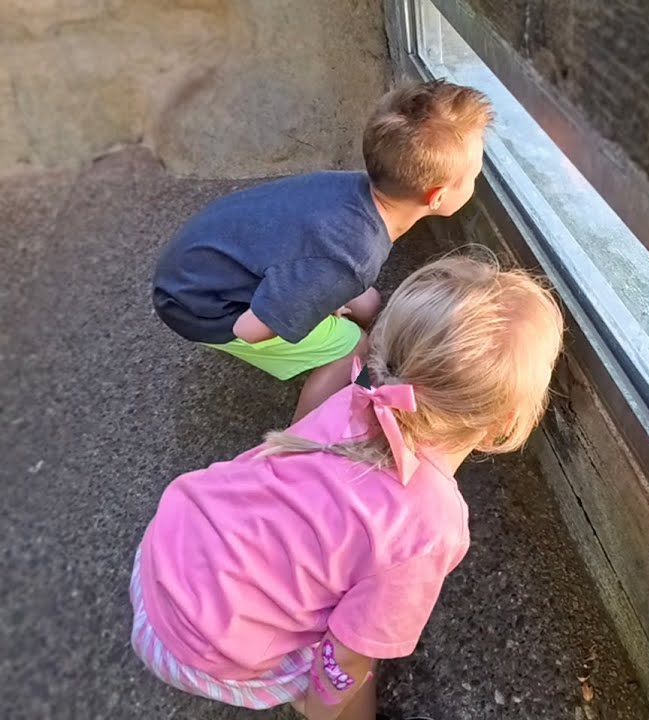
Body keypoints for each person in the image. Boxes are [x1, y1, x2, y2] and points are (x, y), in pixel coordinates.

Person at [129, 252, 564, 720]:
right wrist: (325, 707)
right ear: (507, 424)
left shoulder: (356, 399)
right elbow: (349, 654)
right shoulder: (430, 525)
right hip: (202, 645)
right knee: (354, 668)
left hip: (164, 554)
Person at [150, 80, 495, 422]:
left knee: (369, 303)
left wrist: (322, 298)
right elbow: (250, 330)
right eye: (473, 176)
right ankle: (301, 443)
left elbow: (314, 253)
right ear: (436, 196)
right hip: (200, 307)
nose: (475, 180)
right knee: (355, 346)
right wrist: (310, 310)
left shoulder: (349, 188)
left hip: (196, 260)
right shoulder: (353, 258)